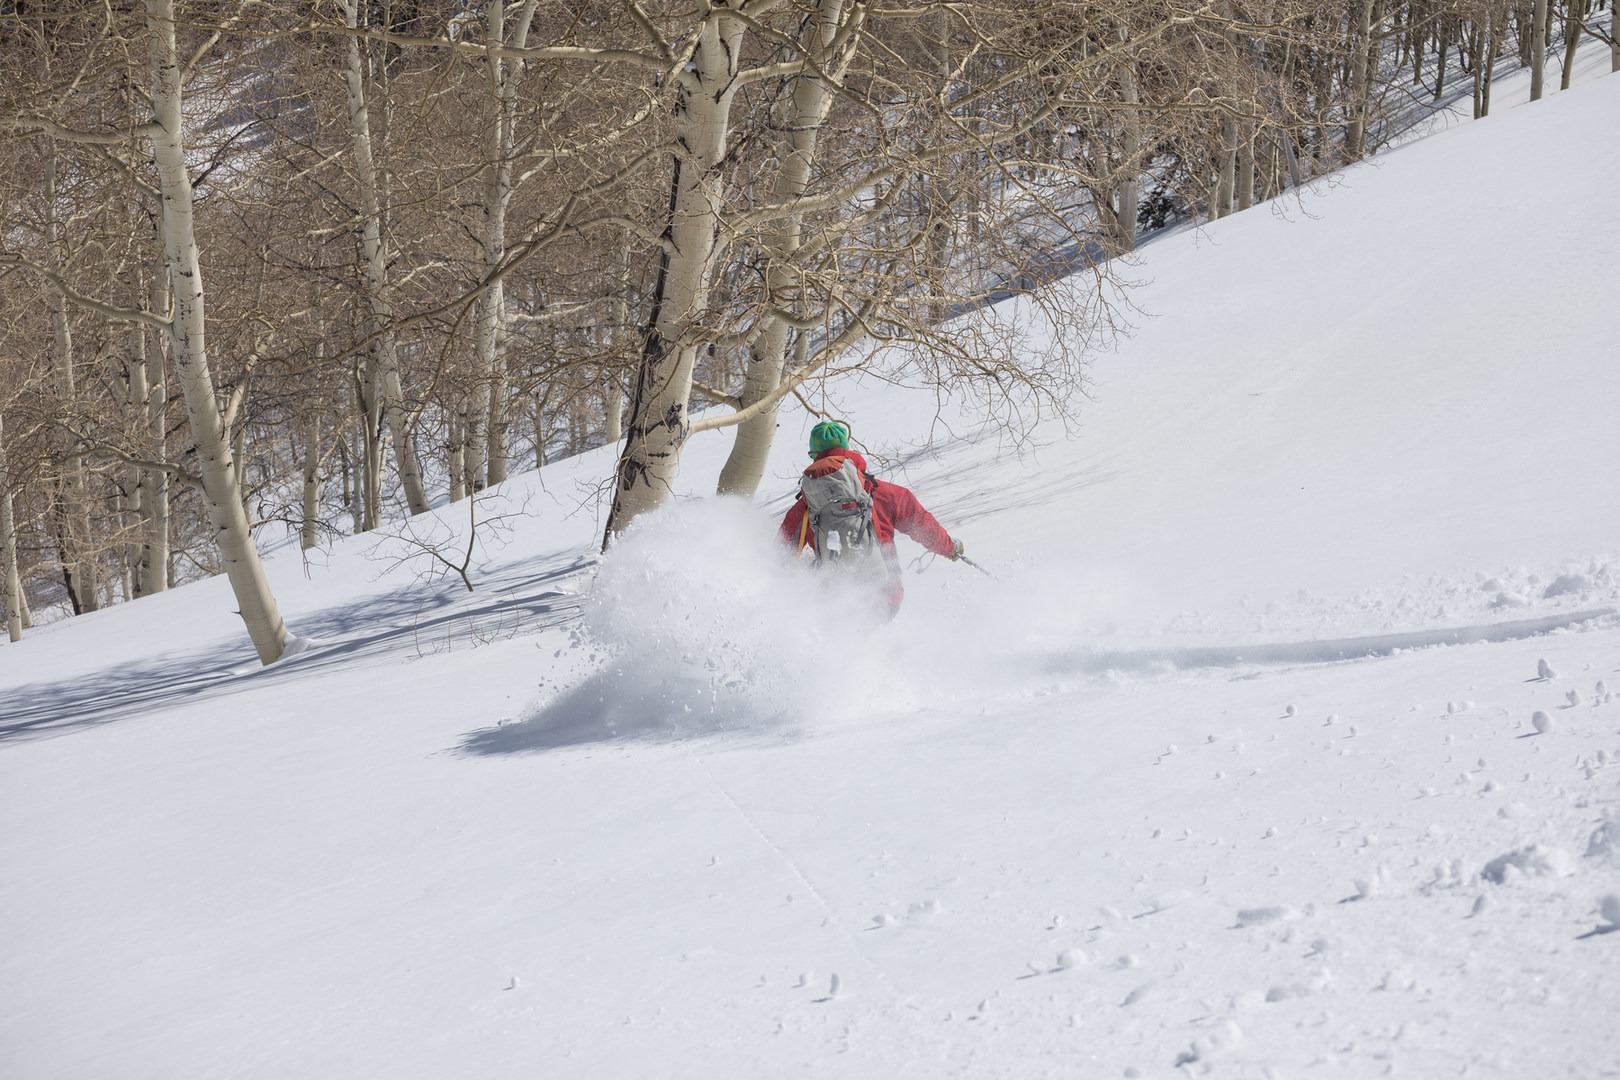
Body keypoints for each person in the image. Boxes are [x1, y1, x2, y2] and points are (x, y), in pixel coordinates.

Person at [778, 420, 964, 614]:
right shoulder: (881, 492)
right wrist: (950, 548)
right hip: (885, 597)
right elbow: (922, 525)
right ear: (847, 451)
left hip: (839, 606)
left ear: (814, 457)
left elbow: (780, 557)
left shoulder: (806, 507)